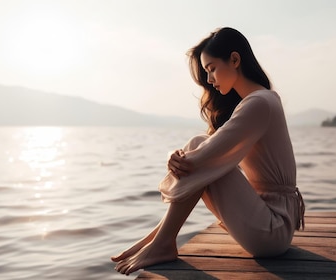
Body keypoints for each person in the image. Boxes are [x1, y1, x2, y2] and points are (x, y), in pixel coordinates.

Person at [110, 27, 305, 275]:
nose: (210, 79)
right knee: (198, 145)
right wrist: (177, 155)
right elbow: (208, 150)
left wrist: (176, 158)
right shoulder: (262, 100)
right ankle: (158, 239)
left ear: (234, 60)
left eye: (211, 68)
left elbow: (202, 155)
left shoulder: (259, 103)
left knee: (196, 147)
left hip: (272, 230)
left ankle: (161, 243)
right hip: (271, 223)